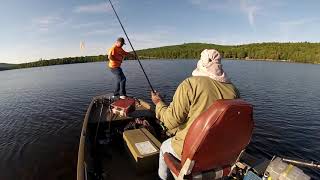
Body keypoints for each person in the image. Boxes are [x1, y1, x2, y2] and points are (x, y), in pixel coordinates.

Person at [151, 49, 240, 180]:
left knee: (164, 146)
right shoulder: (234, 90)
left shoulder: (190, 84)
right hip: (219, 152)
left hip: (192, 152)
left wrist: (158, 103)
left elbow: (170, 121)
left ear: (201, 64)